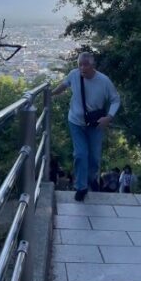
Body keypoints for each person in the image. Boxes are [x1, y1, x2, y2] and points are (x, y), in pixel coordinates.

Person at [50, 52, 121, 202]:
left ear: (93, 65)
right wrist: (49, 94)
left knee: (94, 157)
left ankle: (91, 178)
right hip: (76, 121)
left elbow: (115, 99)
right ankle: (81, 187)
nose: (82, 68)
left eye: (86, 64)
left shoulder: (103, 81)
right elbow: (63, 86)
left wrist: (109, 117)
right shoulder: (74, 75)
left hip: (95, 124)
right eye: (80, 64)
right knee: (80, 154)